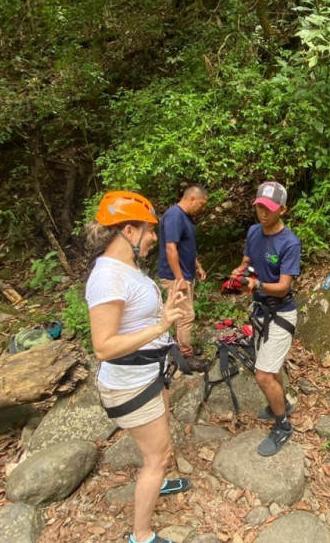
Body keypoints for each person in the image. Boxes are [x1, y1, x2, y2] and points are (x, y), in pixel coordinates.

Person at [85, 191, 193, 543]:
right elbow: (103, 346)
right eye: (148, 232)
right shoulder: (107, 279)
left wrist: (168, 303)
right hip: (130, 383)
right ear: (128, 231)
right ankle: (141, 535)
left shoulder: (127, 269)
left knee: (158, 450)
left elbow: (137, 318)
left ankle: (158, 484)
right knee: (158, 455)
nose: (153, 239)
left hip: (146, 375)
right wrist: (161, 328)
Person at [230, 181, 302, 457]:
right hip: (260, 311)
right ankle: (281, 404)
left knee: (262, 375)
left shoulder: (289, 243)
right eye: (259, 207)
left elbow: (284, 286)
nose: (263, 213)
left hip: (281, 312)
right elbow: (247, 260)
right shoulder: (253, 232)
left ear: (282, 209)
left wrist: (255, 285)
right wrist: (240, 271)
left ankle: (283, 426)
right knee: (269, 371)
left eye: (269, 209)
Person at [157, 185, 210, 372]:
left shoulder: (185, 218)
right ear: (192, 199)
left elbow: (187, 247)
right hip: (174, 276)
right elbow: (171, 248)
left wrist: (198, 266)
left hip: (185, 273)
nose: (202, 208)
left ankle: (174, 348)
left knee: (178, 314)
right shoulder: (174, 216)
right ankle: (185, 357)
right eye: (202, 204)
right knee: (186, 315)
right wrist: (179, 279)